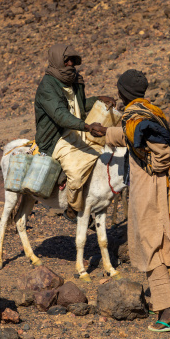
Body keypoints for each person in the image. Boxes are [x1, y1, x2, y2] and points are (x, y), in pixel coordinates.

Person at [91, 69, 170, 332]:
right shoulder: (146, 111)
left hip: (151, 185)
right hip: (147, 184)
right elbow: (133, 136)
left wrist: (152, 167)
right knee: (149, 240)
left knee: (151, 241)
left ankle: (169, 310)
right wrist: (107, 133)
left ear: (123, 92)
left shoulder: (136, 114)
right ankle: (165, 308)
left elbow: (161, 152)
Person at [34, 43, 115, 219]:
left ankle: (90, 200)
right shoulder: (47, 86)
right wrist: (87, 126)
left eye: (73, 60)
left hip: (74, 131)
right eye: (66, 60)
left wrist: (98, 99)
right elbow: (60, 115)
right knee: (77, 173)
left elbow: (79, 105)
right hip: (55, 138)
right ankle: (72, 209)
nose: (70, 63)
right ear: (57, 61)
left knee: (100, 156)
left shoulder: (74, 80)